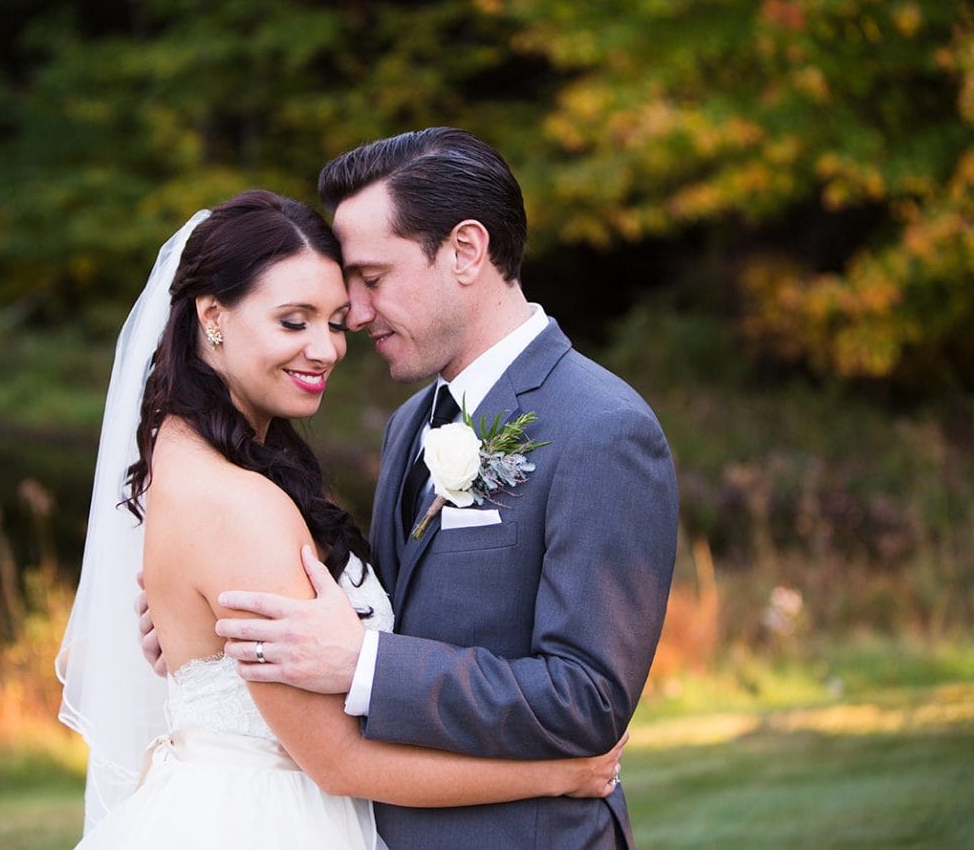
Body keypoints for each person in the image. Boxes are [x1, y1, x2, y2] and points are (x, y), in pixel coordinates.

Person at [56, 189, 626, 849]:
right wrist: (555, 774)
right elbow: (338, 760)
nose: (326, 348)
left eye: (333, 321)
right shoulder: (240, 502)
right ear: (213, 317)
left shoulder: (186, 457)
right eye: (293, 321)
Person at [204, 129, 680, 848]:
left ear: (465, 250)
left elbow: (588, 700)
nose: (355, 315)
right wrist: (224, 617)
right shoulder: (411, 423)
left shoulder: (602, 430)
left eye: (372, 278)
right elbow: (396, 609)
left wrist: (366, 664)